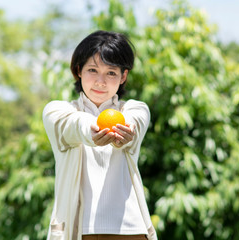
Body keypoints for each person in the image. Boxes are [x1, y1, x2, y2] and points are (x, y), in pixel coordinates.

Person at [43, 30, 157, 240]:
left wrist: (126, 131)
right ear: (78, 71)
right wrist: (93, 130)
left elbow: (134, 123)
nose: (100, 81)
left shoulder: (135, 110)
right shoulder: (57, 111)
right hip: (78, 231)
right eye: (93, 70)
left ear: (123, 76)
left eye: (111, 73)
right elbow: (73, 125)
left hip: (129, 230)